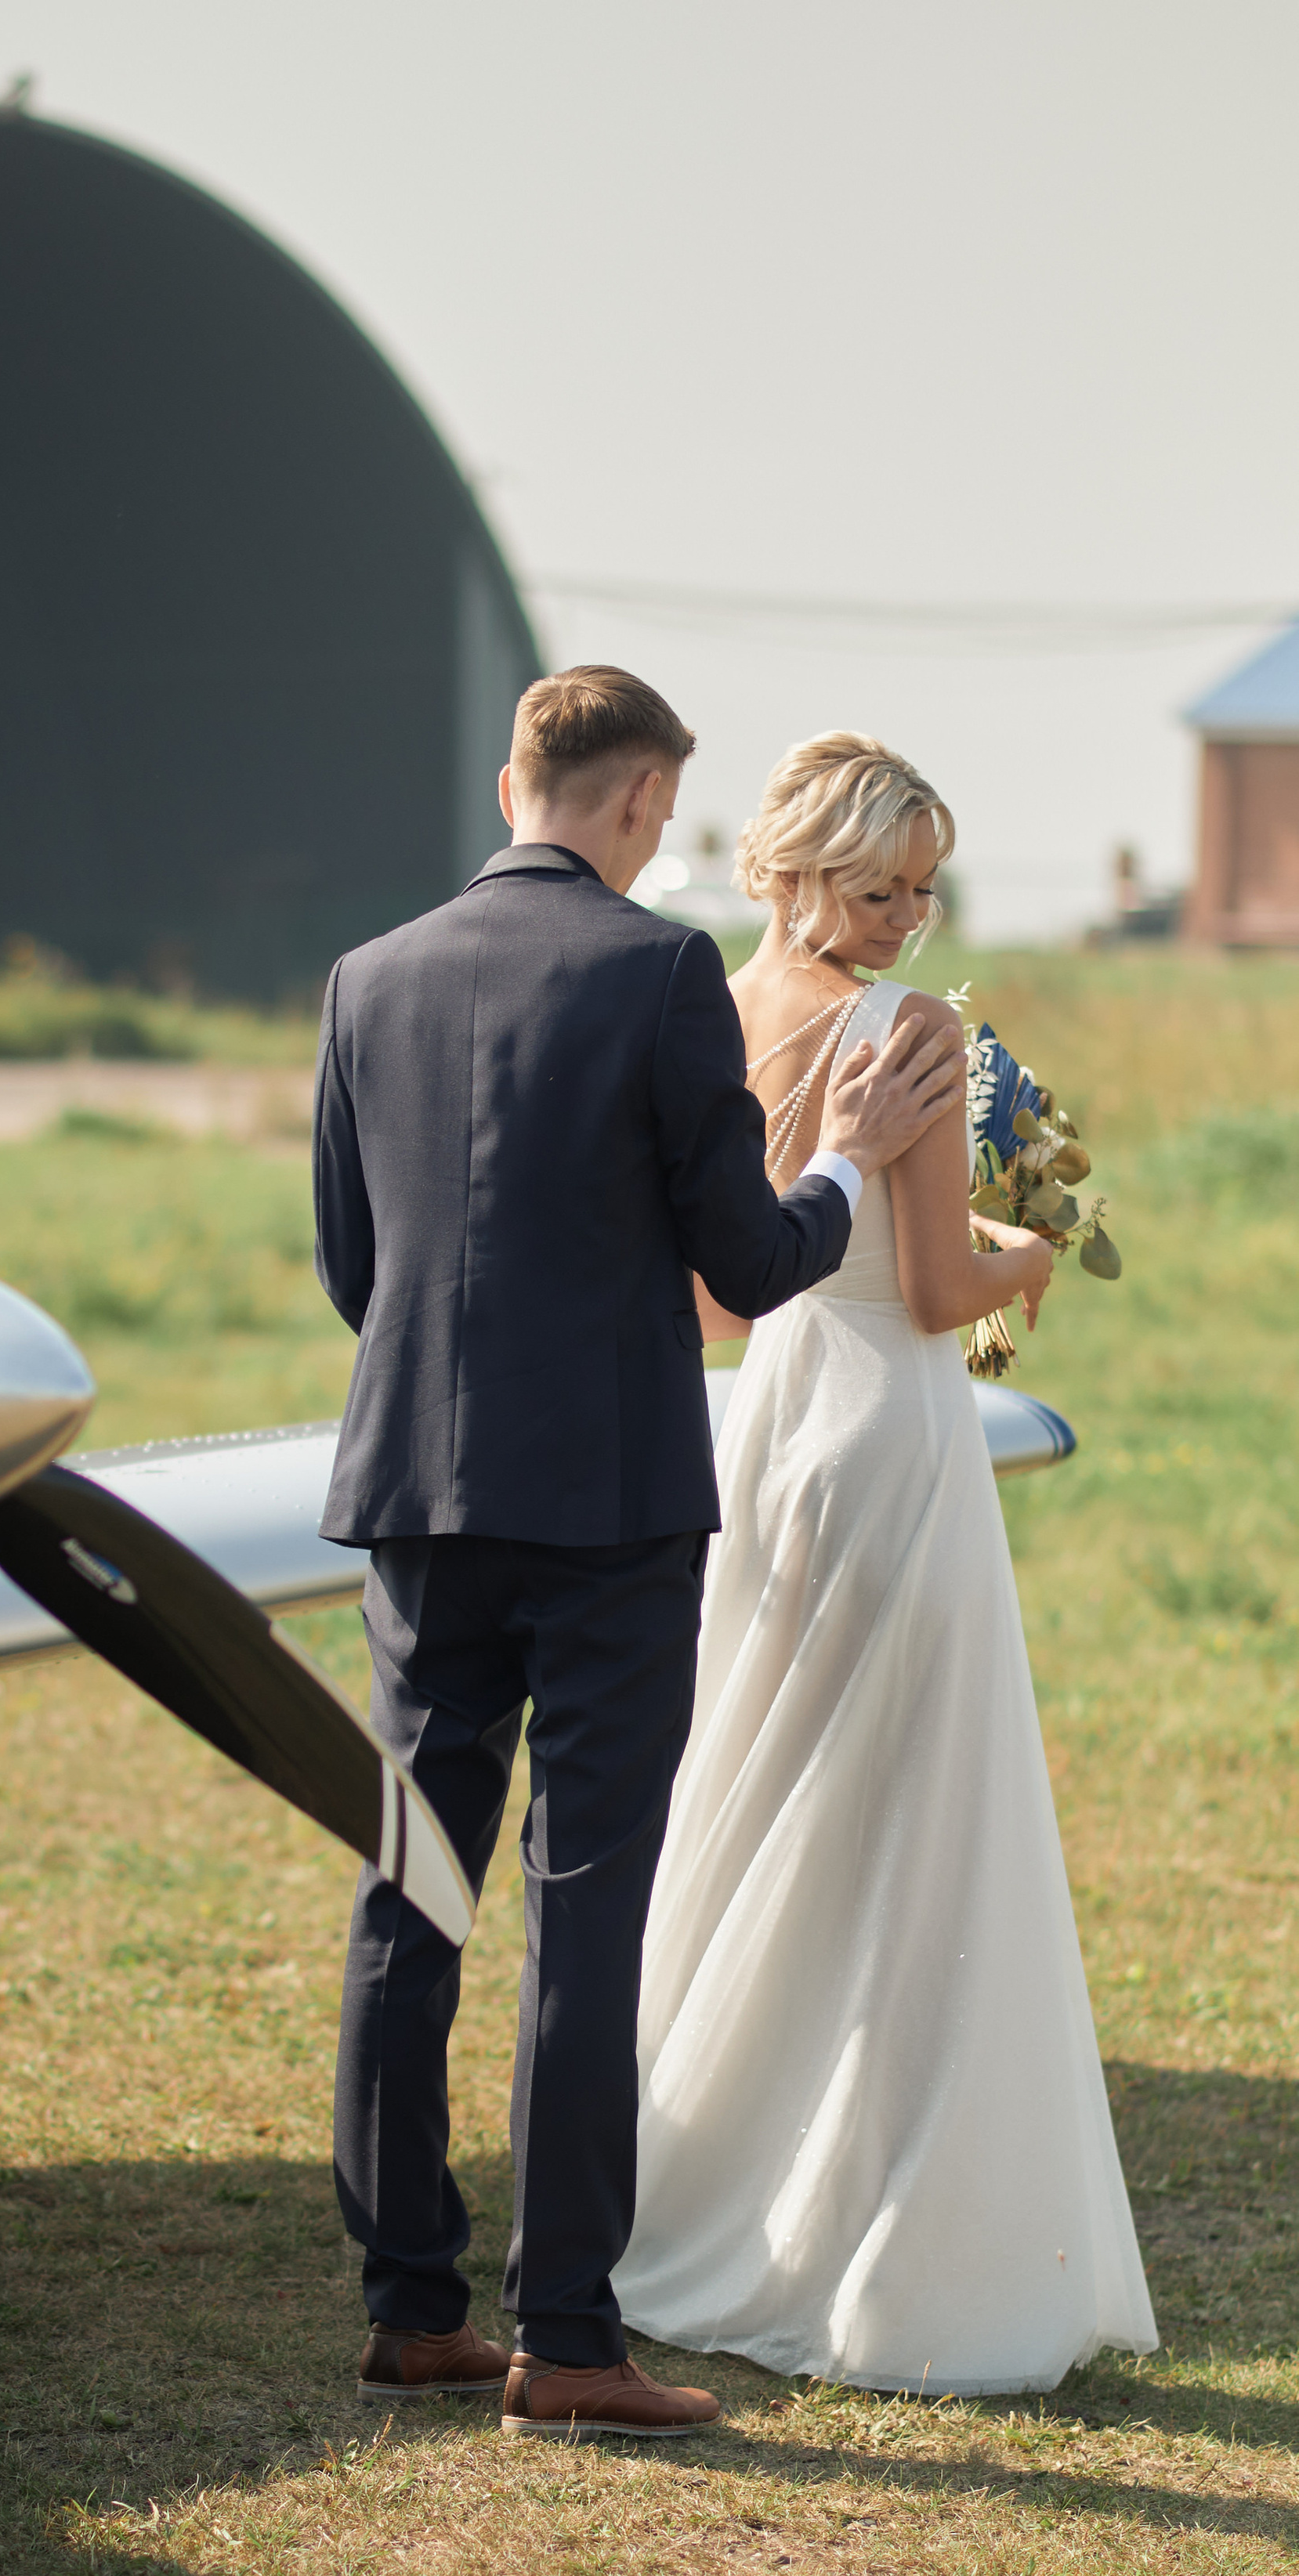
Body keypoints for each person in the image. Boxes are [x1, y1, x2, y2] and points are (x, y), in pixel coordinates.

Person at [312, 670, 968, 2441]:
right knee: (584, 1909)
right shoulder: (655, 969)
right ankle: (567, 2338)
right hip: (604, 1511)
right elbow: (751, 1263)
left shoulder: (364, 977)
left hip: (412, 1503)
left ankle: (404, 2310)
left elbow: (351, 1270)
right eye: (662, 813)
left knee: (411, 1890)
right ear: (635, 794)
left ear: (515, 778)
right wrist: (838, 1164)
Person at [613, 733, 1156, 2394]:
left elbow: (718, 1299)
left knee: (768, 1787)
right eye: (875, 886)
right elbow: (927, 1288)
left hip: (767, 1432)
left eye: (922, 888)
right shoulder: (910, 1034)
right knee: (913, 1819)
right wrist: (1034, 1250)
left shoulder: (704, 1003)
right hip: (891, 1441)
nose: (907, 918)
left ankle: (710, 2191)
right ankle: (885, 2228)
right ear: (790, 868)